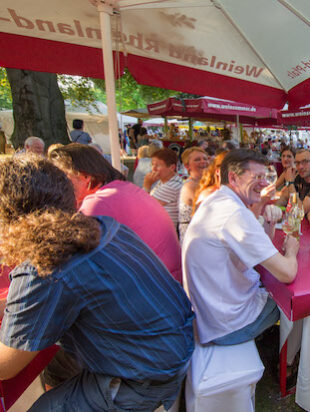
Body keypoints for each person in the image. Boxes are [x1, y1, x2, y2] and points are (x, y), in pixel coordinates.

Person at [0, 155, 194, 410]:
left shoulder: (45, 264)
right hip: (170, 352)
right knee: (56, 368)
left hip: (142, 377)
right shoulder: (100, 225)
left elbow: (7, 365)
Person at [183, 149, 299, 346]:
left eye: (266, 176)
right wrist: (292, 251)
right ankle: (289, 357)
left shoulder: (218, 201)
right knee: (292, 303)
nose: (265, 183)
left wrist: (268, 224)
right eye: (258, 177)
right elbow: (287, 273)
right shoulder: (234, 213)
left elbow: (252, 249)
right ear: (233, 178)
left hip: (210, 316)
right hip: (227, 326)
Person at [49, 143, 183, 282]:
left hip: (152, 284)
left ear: (85, 176)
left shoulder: (99, 202)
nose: (60, 184)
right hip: (167, 281)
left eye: (63, 177)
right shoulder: (123, 188)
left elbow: (73, 258)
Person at [143, 147, 184, 229]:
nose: (153, 169)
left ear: (172, 167)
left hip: (162, 230)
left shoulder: (172, 186)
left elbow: (144, 206)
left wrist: (146, 185)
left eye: (157, 165)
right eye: (152, 165)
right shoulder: (164, 181)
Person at [178, 147, 209, 243]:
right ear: (187, 166)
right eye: (197, 160)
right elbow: (208, 211)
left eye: (205, 158)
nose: (203, 161)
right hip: (194, 237)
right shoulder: (190, 186)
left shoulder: (203, 183)